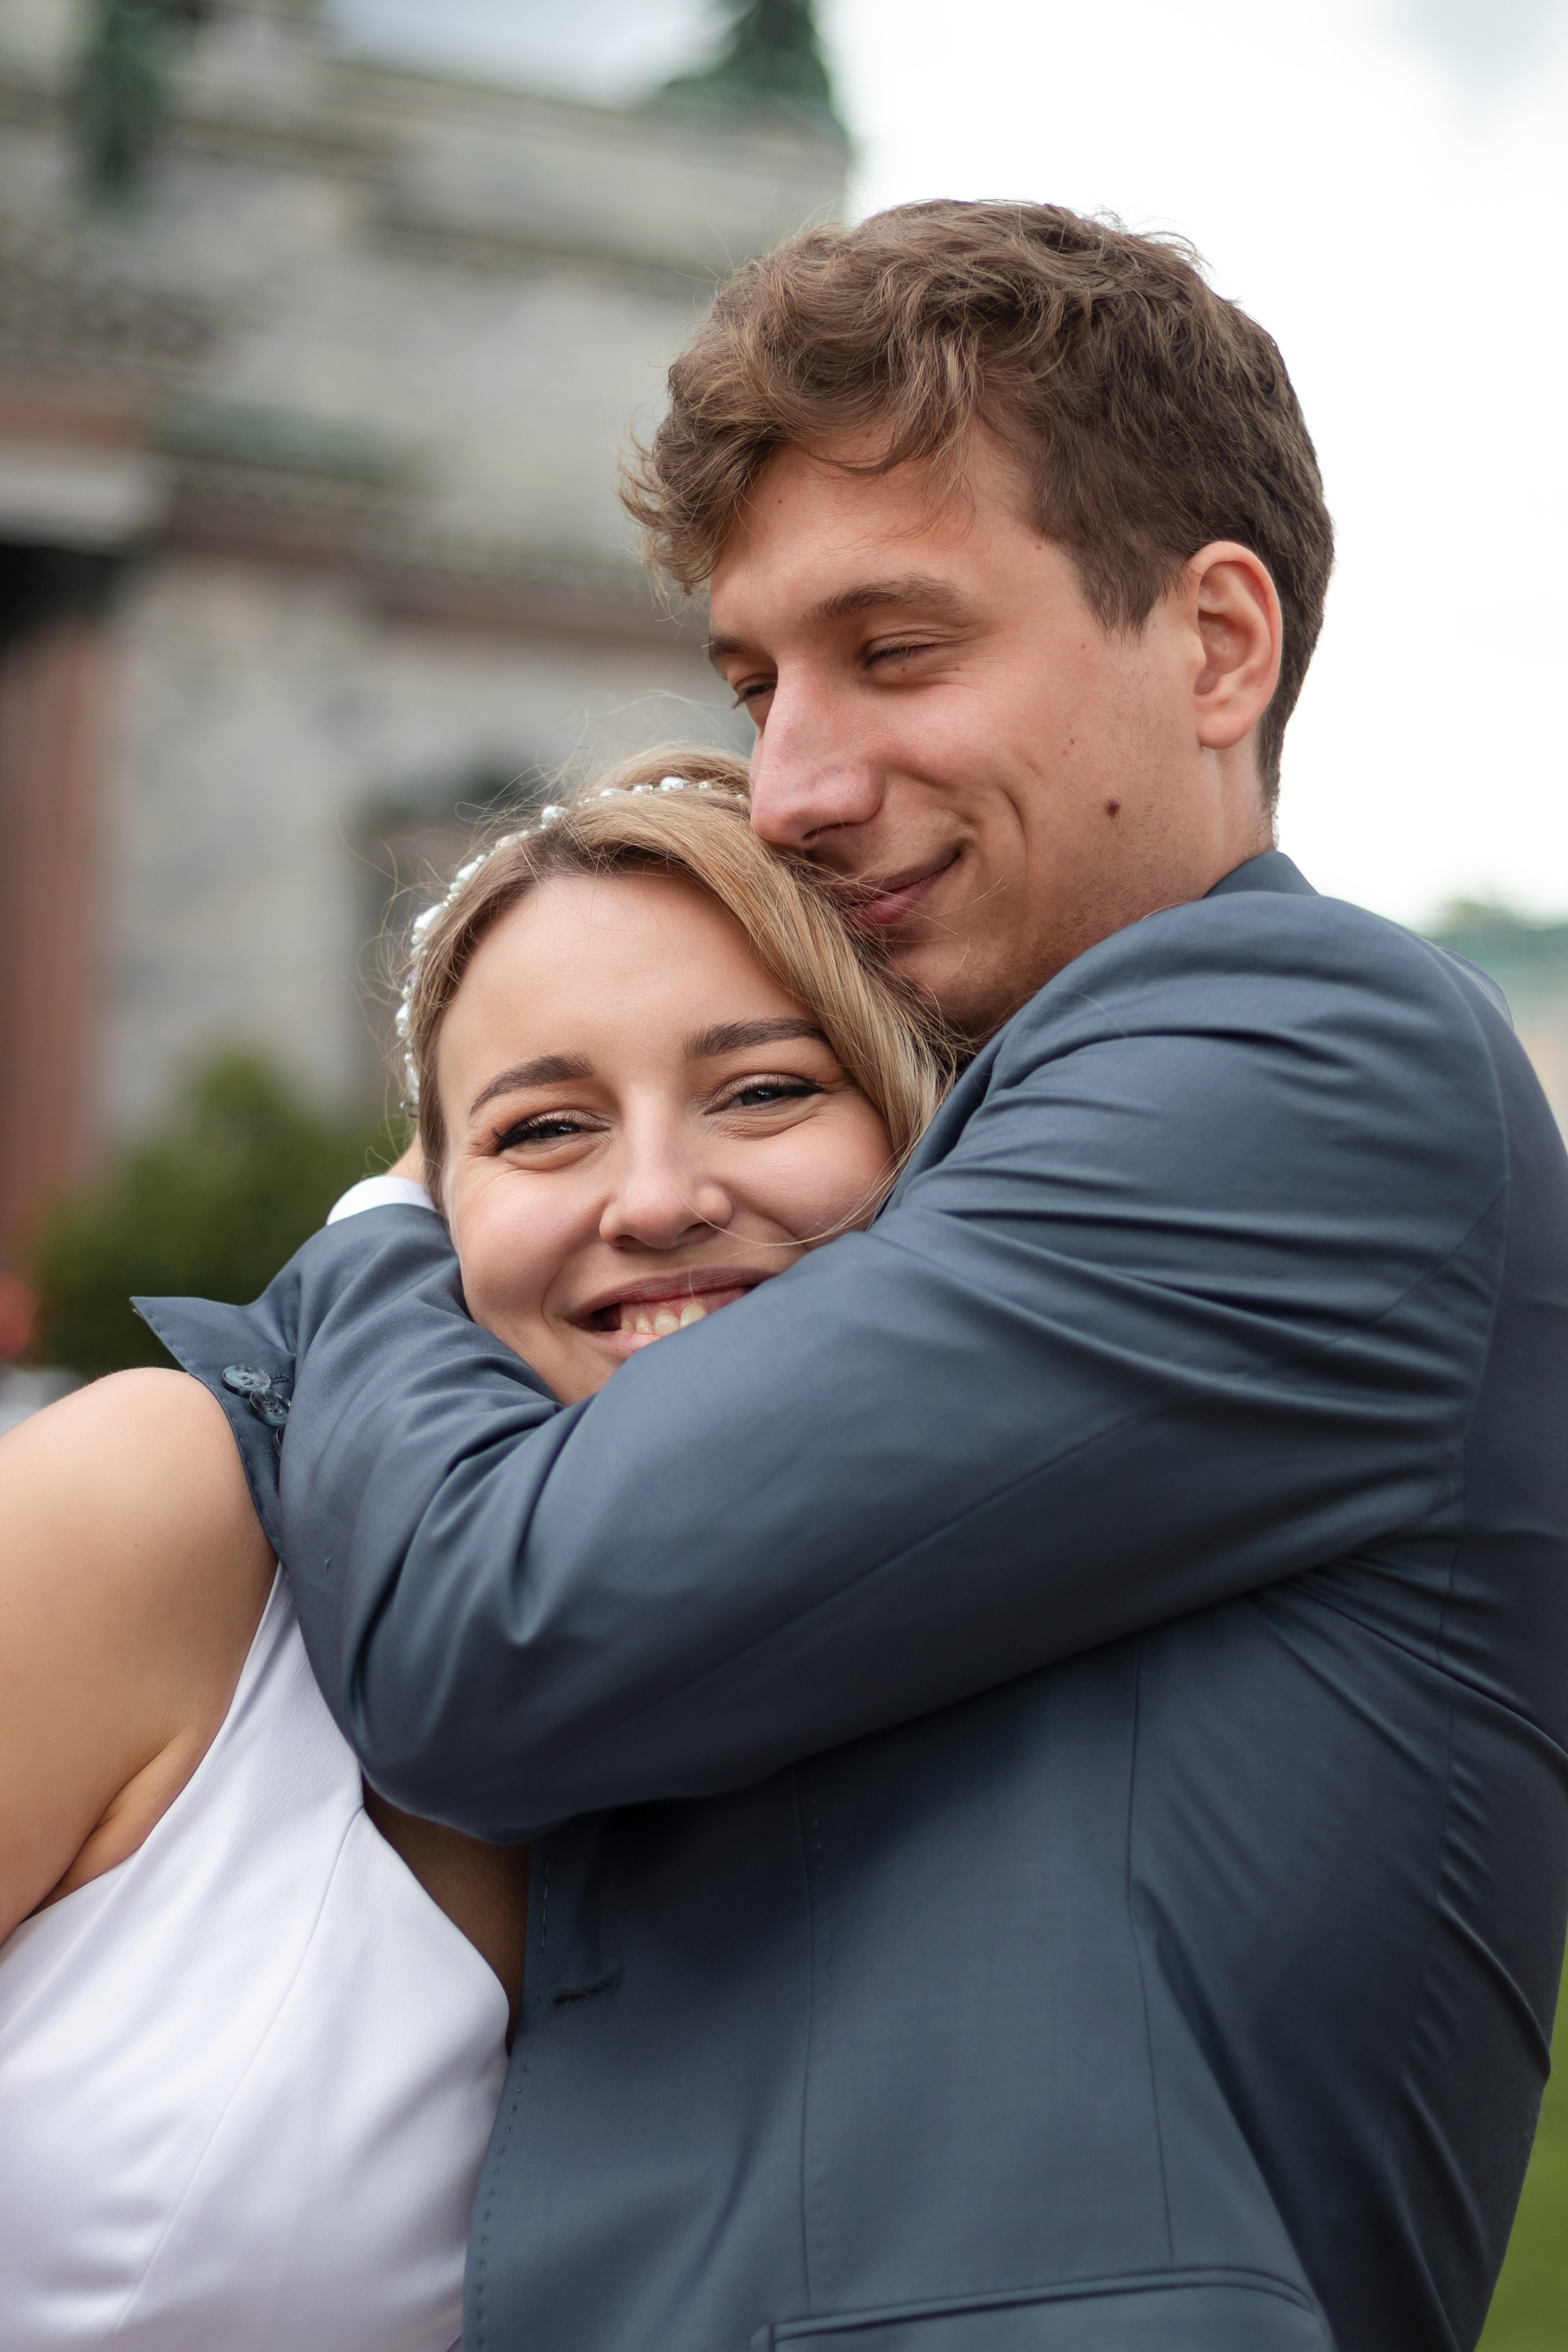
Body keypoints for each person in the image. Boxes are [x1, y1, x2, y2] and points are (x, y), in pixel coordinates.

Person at [148, 201, 1568, 2352]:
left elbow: (503, 1631)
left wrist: (389, 1235)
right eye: (754, 681)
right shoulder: (954, 1166)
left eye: (897, 655)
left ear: (1216, 646)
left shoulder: (1311, 1062)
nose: (796, 783)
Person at [0, 764, 946, 2349]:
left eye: (766, 1089)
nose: (654, 1199)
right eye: (546, 1125)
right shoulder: (162, 1513)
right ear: (428, 1207)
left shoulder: (979, 1664)